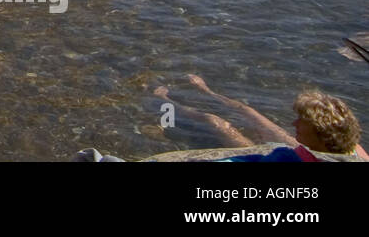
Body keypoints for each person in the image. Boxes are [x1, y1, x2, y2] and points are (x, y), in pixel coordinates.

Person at [153, 76, 366, 161]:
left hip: (290, 154)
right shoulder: (353, 149)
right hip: (307, 151)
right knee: (249, 111)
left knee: (215, 121)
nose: (294, 123)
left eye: (302, 122)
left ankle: (165, 101)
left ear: (319, 133)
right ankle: (206, 90)